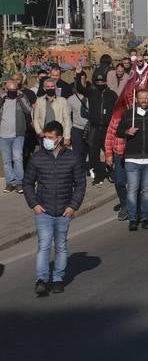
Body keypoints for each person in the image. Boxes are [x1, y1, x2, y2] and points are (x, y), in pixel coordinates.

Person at [26, 121, 86, 297]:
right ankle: (41, 280)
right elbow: (28, 183)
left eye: (50, 138)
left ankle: (58, 278)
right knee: (44, 245)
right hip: (43, 210)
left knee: (60, 245)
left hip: (63, 210)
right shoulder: (37, 157)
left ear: (59, 138)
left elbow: (80, 184)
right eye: (45, 137)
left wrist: (73, 206)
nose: (47, 140)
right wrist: (34, 204)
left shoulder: (72, 158)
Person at [117, 87, 148, 232]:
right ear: (136, 99)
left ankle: (146, 217)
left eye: (146, 98)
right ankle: (132, 218)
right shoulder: (128, 114)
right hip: (132, 158)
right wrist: (126, 131)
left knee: (147, 190)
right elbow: (118, 131)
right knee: (132, 190)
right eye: (141, 98)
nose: (144, 100)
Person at [0, 79, 32, 193]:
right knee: (7, 161)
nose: (12, 92)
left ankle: (19, 182)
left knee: (17, 158)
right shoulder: (3, 100)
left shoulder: (20, 99)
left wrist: (21, 96)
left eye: (15, 90)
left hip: (18, 134)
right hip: (3, 135)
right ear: (6, 89)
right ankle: (10, 182)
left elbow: (29, 110)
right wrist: (2, 98)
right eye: (10, 90)